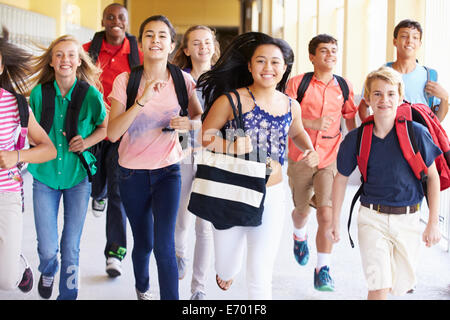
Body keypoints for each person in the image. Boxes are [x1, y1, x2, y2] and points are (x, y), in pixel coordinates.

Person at [196, 31, 319, 299]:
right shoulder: (232, 100)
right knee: (227, 267)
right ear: (250, 66)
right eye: (261, 61)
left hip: (272, 194)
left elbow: (296, 132)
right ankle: (227, 270)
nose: (268, 68)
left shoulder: (290, 105)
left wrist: (310, 149)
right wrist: (230, 146)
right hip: (232, 192)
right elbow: (202, 136)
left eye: (275, 62)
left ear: (284, 68)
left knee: (260, 275)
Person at [107, 15, 203, 300]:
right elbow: (113, 132)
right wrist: (142, 100)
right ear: (141, 43)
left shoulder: (183, 80)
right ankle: (142, 287)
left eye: (162, 35)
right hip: (131, 173)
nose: (155, 40)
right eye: (149, 35)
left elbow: (199, 117)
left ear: (172, 44)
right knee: (144, 243)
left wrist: (190, 124)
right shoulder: (126, 80)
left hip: (167, 170)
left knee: (164, 245)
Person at [328, 66, 442, 300]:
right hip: (372, 219)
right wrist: (334, 220)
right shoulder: (357, 138)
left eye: (391, 94)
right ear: (368, 98)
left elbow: (433, 177)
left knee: (398, 287)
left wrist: (433, 223)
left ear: (400, 97)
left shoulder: (416, 133)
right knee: (378, 287)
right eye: (377, 94)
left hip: (408, 220)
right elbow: (340, 179)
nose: (384, 100)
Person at [28, 35, 107, 300]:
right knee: (49, 247)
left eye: (71, 55)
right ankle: (48, 269)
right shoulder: (40, 94)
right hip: (45, 176)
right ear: (51, 62)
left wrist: (86, 142)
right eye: (59, 55)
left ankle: (68, 295)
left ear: (79, 61)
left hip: (77, 179)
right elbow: (28, 130)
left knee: (70, 246)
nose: (65, 60)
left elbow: (104, 127)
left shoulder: (90, 94)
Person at [285, 34, 357, 291]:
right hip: (300, 157)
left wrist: (355, 147)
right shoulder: (297, 84)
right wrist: (311, 124)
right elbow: (283, 117)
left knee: (327, 213)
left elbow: (350, 119)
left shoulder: (344, 86)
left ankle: (322, 269)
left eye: (334, 50)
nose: (330, 55)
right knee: (302, 211)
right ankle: (299, 233)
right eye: (324, 51)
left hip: (330, 158)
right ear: (312, 56)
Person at [83, 2, 143, 278]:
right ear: (103, 20)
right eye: (110, 17)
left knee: (118, 189)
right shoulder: (87, 51)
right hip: (94, 127)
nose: (115, 21)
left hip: (122, 130)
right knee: (96, 180)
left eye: (121, 17)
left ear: (127, 22)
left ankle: (115, 253)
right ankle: (99, 193)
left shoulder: (138, 54)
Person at [0, 26, 56, 294]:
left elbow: (49, 149)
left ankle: (19, 267)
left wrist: (16, 155)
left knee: (4, 280)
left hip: (6, 193)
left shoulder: (15, 105)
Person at [171, 25, 220, 300]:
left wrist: (191, 124)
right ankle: (179, 253)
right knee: (182, 214)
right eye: (196, 43)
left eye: (207, 42)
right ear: (186, 50)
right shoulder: (178, 79)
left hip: (213, 156)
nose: (203, 47)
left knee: (205, 225)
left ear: (214, 46)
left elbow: (225, 121)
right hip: (183, 154)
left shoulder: (224, 81)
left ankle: (198, 288)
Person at [358, 19, 448, 122]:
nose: (410, 41)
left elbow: (436, 122)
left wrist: (445, 98)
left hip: (419, 136)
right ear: (395, 41)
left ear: (419, 44)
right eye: (404, 36)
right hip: (389, 136)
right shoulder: (379, 75)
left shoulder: (429, 75)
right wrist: (372, 130)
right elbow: (363, 106)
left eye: (415, 37)